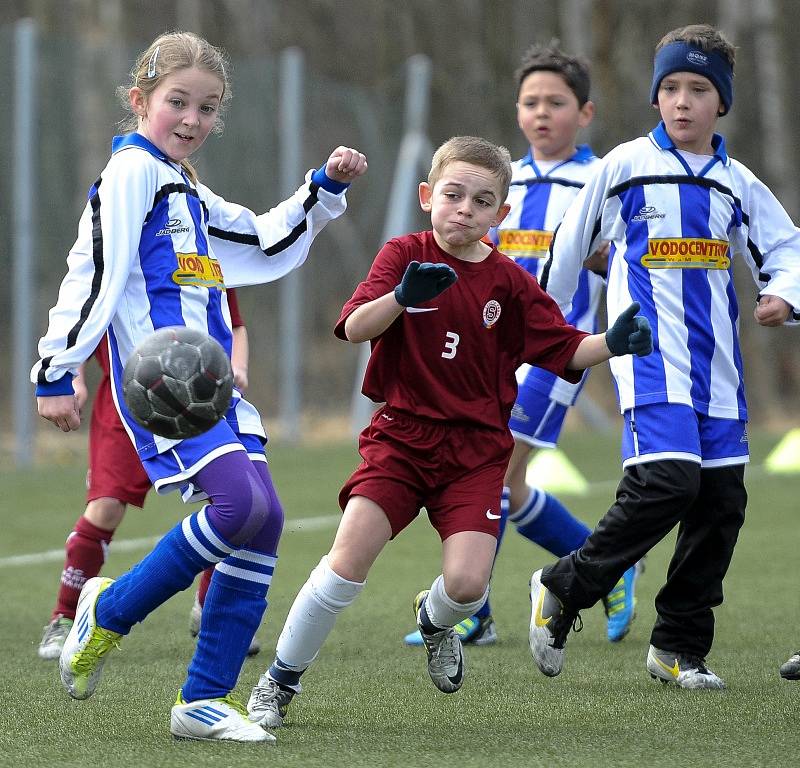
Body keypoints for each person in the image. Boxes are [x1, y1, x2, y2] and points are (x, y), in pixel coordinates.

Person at [245, 135, 651, 730]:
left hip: (477, 451)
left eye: (482, 200)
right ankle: (278, 684)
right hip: (401, 440)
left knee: (466, 587)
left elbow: (562, 348)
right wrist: (401, 299)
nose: (465, 208)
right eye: (454, 194)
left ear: (500, 216)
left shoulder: (508, 281)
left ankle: (436, 623)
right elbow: (355, 328)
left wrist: (611, 344)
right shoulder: (402, 255)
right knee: (346, 562)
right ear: (427, 196)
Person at [32, 31, 367, 743]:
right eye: (176, 102)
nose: (192, 118)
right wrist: (57, 366)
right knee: (239, 502)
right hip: (163, 385)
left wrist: (323, 188)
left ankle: (202, 701)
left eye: (208, 107)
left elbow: (265, 242)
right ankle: (110, 609)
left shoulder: (183, 188)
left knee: (264, 519)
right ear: (139, 101)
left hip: (210, 386)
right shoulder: (131, 175)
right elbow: (90, 272)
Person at [528, 23, 800, 690]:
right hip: (649, 359)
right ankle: (565, 585)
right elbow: (566, 250)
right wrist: (539, 330)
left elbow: (786, 246)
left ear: (722, 103)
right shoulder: (622, 167)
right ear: (655, 97)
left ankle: (677, 647)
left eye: (699, 89)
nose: (682, 101)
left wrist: (784, 297)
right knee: (669, 482)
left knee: (719, 503)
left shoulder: (736, 182)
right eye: (671, 87)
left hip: (719, 375)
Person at [401, 43, 640, 649]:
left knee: (497, 472)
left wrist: (609, 266)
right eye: (531, 102)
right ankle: (607, 563)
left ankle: (472, 611)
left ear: (584, 114)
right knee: (513, 484)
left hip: (553, 354)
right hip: (489, 355)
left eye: (556, 103)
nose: (542, 113)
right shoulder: (503, 187)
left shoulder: (599, 180)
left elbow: (619, 260)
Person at [36, 291, 260, 660]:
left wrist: (238, 367)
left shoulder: (205, 245)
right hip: (126, 403)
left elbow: (233, 320)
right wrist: (70, 376)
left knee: (231, 502)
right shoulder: (117, 248)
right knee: (105, 508)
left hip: (196, 402)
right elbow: (77, 317)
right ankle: (64, 616)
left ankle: (210, 607)